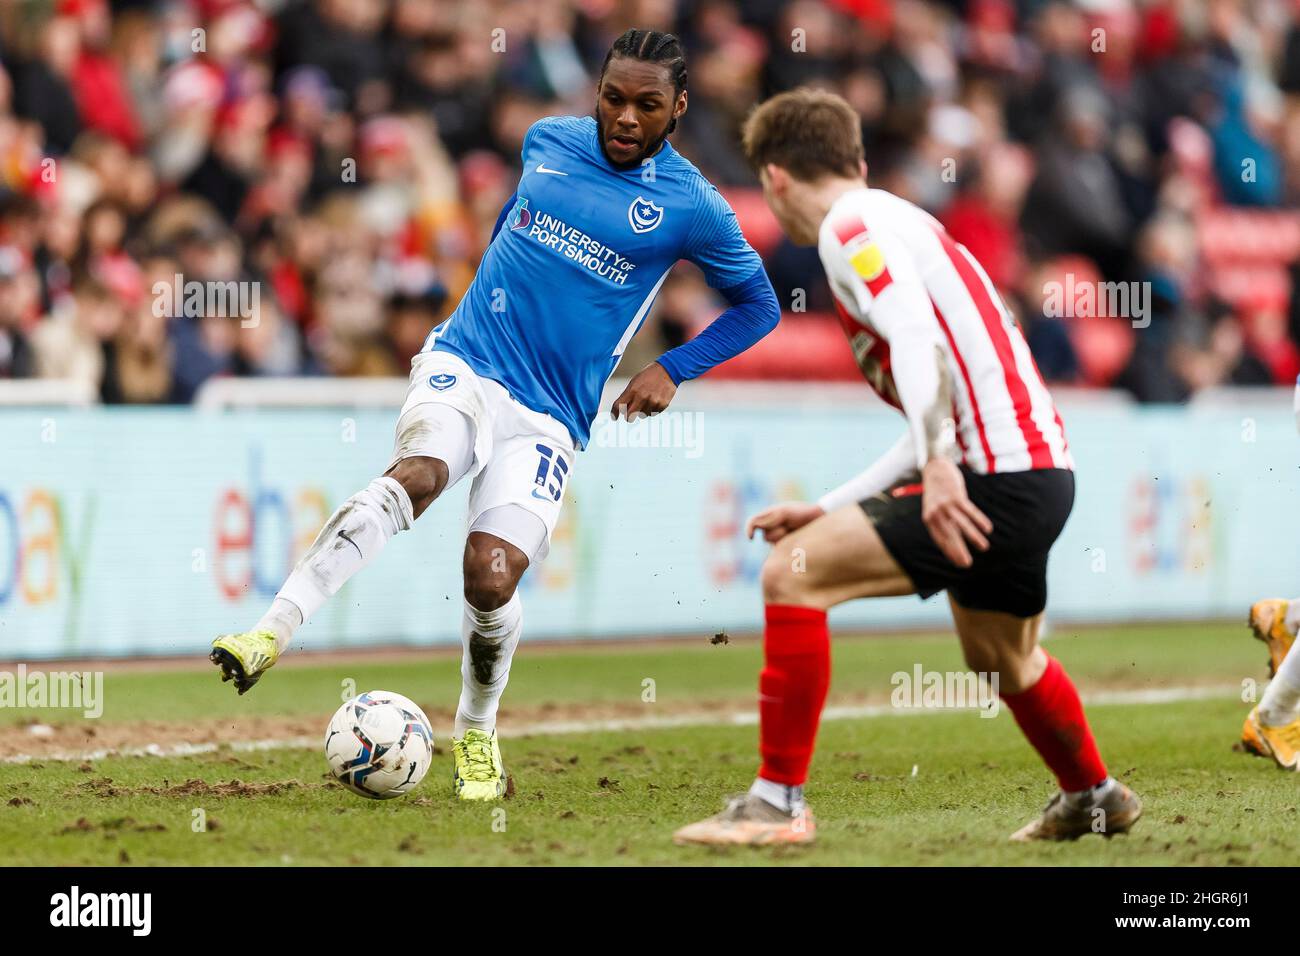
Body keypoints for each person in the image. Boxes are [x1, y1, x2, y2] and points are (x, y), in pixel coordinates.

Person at [210, 29, 780, 801]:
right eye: (613, 97)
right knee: (419, 474)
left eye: (647, 105)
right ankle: (270, 631)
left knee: (489, 575)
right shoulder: (547, 140)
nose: (624, 116)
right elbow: (513, 221)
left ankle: (476, 731)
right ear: (598, 90)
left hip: (552, 415)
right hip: (468, 363)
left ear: (677, 107)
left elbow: (761, 305)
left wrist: (674, 369)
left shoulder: (691, 206)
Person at [674, 88, 1140, 846]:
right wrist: (834, 504)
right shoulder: (905, 222)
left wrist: (943, 467)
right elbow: (941, 397)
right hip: (1039, 473)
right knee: (1005, 658)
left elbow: (918, 346)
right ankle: (1094, 795)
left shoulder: (849, 230)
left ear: (775, 180)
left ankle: (776, 804)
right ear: (855, 160)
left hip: (991, 475)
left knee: (792, 573)